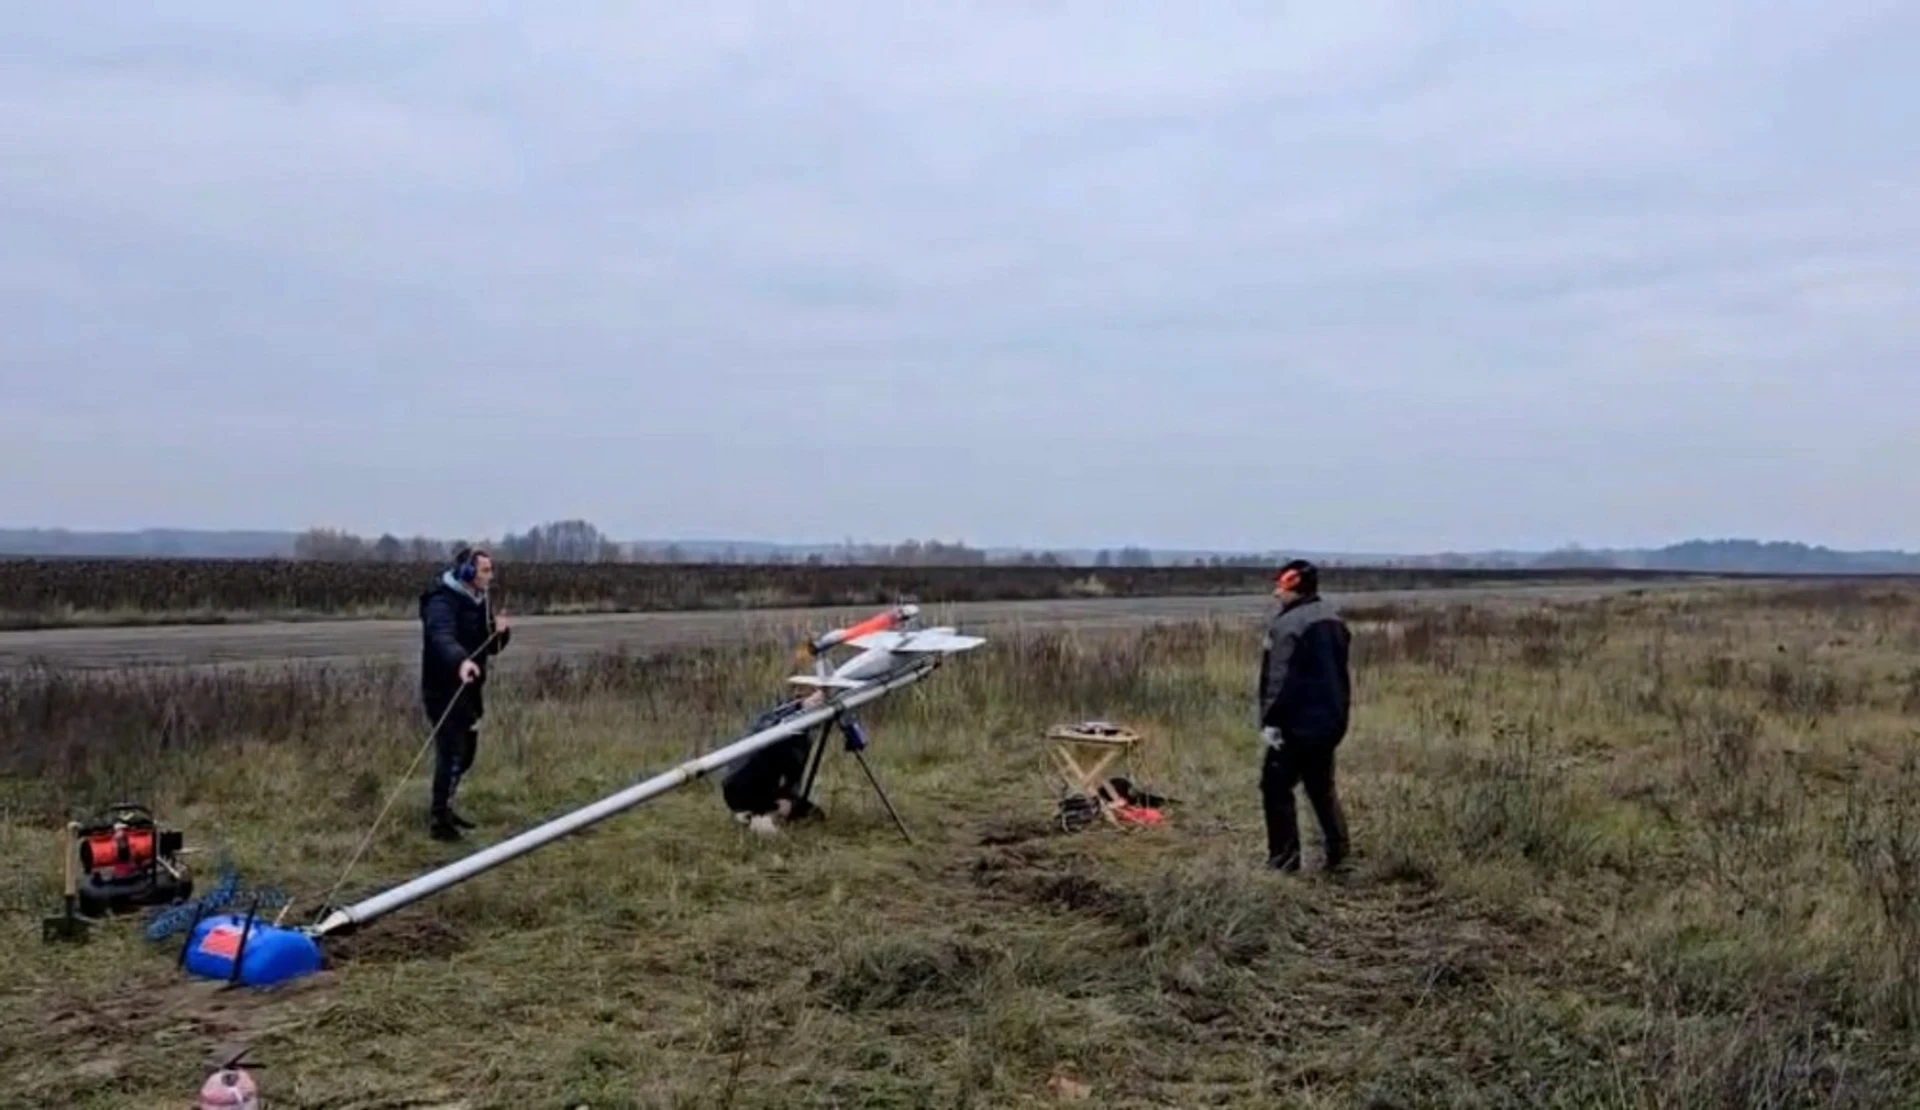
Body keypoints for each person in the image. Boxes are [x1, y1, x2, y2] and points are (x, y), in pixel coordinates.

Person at [1255, 558, 1352, 872]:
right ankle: (1340, 857)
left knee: (1275, 787)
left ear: (1295, 586)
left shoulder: (1287, 626)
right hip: (1331, 721)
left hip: (1294, 725)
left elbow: (1276, 679)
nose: (1275, 594)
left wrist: (1270, 722)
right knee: (1321, 788)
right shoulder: (1334, 619)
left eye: (1280, 587)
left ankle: (1283, 861)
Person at [419, 546, 511, 841]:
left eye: (489, 569)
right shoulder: (441, 602)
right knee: (450, 752)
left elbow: (491, 648)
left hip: (471, 688)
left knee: (467, 753)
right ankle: (438, 820)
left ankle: (447, 805)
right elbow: (440, 637)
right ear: (467, 572)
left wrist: (501, 632)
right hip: (443, 689)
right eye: (484, 570)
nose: (490, 575)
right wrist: (460, 660)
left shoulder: (480, 602)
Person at [719, 692, 827, 835]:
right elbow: (767, 723)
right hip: (746, 788)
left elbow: (792, 778)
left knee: (815, 814)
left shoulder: (799, 739)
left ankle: (759, 815)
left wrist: (789, 800)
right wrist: (800, 707)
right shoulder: (777, 725)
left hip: (765, 790)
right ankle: (756, 815)